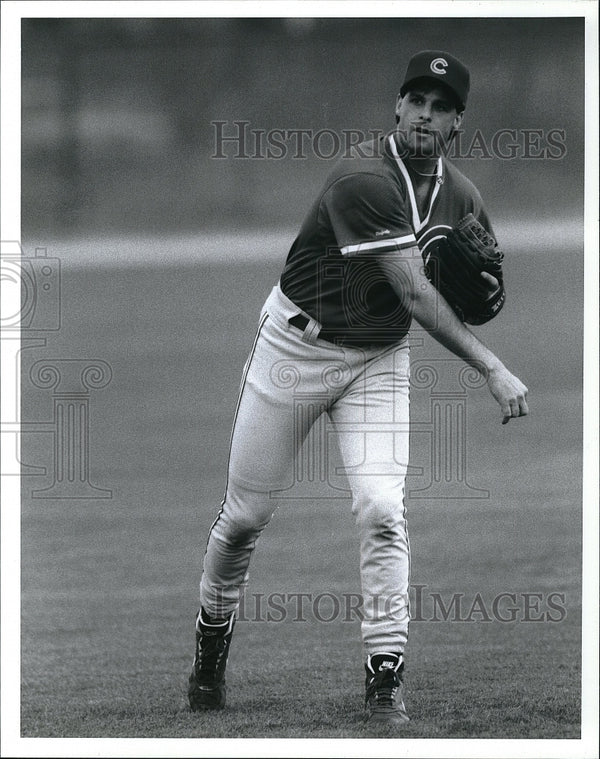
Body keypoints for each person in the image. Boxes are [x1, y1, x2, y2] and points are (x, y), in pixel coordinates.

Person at [187, 50, 529, 725]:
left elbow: (475, 282)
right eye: (417, 100)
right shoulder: (364, 178)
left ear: (458, 121)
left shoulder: (463, 200)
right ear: (398, 108)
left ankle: (384, 677)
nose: (426, 112)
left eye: (441, 104)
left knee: (382, 508)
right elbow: (414, 291)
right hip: (294, 345)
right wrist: (490, 363)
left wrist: (482, 294)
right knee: (245, 519)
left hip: (377, 357)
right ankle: (210, 646)